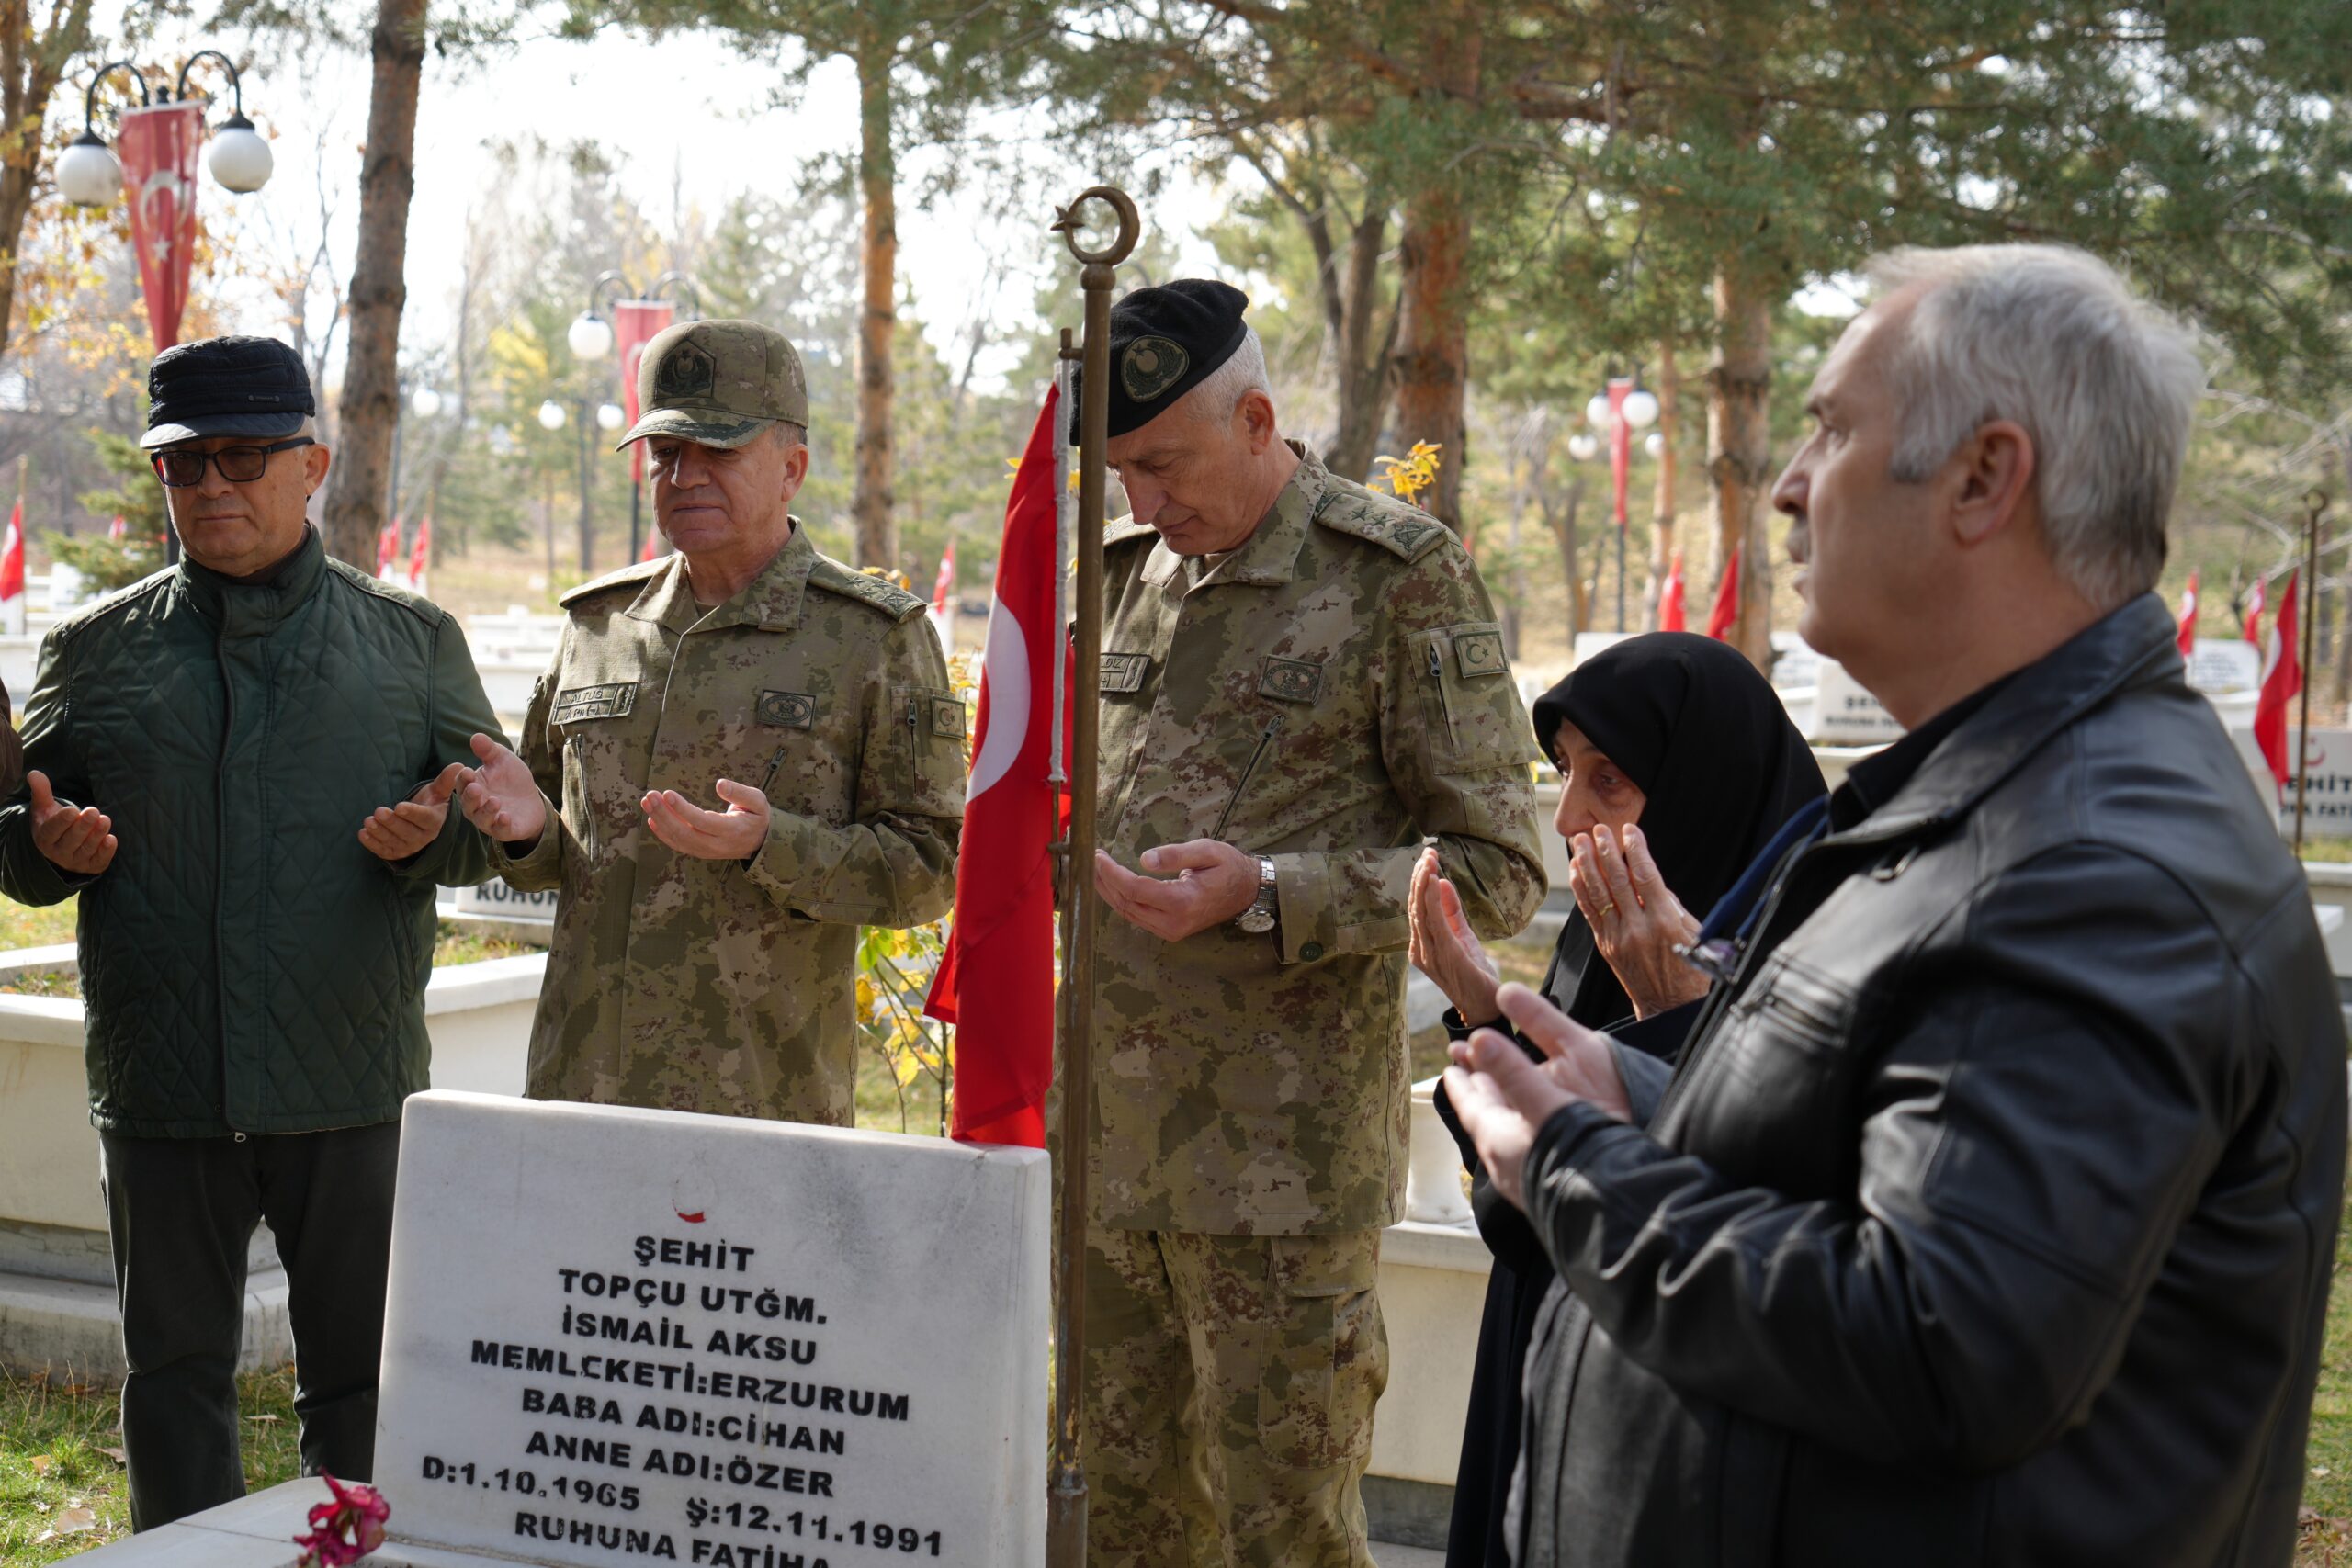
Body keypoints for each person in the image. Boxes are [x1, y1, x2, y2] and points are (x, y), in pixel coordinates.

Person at [1444, 243, 2347, 1566]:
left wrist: (1579, 1166)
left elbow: (1940, 1338)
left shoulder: (2093, 865)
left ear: (1984, 477)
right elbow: (1894, 1185)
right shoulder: (1979, 799)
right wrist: (1654, 1108)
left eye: (1830, 430)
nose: (1791, 488)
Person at [1080, 278, 1548, 1567]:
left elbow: (1500, 865)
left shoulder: (1396, 577)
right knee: (1118, 1523)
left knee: (1284, 1531)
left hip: (1271, 1174)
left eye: (1163, 465)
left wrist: (1274, 890)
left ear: (1258, 418)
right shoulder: (1120, 580)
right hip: (1102, 1168)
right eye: (1119, 473)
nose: (1143, 506)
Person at [0, 336, 505, 1528]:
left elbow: (495, 826)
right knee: (174, 1382)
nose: (213, 486)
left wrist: (430, 840)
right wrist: (43, 850)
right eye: (185, 466)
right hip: (165, 1091)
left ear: (314, 461)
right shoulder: (95, 651)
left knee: (363, 1387)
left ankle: (362, 1554)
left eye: (243, 456)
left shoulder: (409, 641)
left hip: (353, 1092)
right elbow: (20, 843)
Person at [455, 319, 962, 1124]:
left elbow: (934, 868)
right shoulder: (598, 627)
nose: (684, 476)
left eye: (717, 452)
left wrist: (774, 844)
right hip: (582, 1091)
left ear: (791, 468)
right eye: (665, 456)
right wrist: (525, 833)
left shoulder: (874, 639)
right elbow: (558, 859)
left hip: (760, 1106)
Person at [1410, 632, 1825, 1568]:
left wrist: (1674, 1020)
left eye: (1610, 780)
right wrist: (1484, 1015)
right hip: (1541, 1389)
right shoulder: (1605, 941)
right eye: (1562, 770)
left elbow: (1770, 1200)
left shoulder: (1809, 944)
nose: (1564, 817)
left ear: (1699, 785)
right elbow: (1520, 1201)